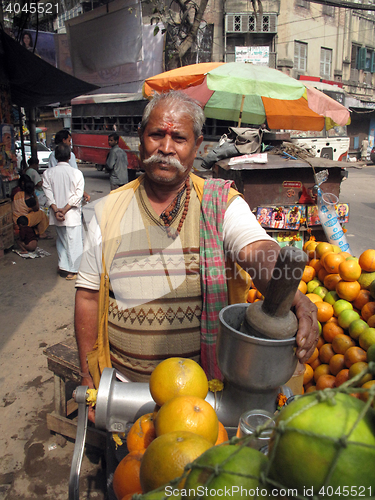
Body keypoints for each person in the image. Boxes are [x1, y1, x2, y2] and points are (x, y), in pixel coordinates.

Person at [75, 90, 318, 391]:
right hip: (124, 388)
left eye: (179, 138)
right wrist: (88, 376)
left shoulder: (220, 203)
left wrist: (286, 292)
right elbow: (87, 297)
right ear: (140, 137)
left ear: (197, 145)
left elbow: (258, 249)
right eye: (156, 135)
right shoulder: (108, 210)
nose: (165, 148)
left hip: (204, 394)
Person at [43, 143, 85, 280]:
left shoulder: (48, 173)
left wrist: (56, 210)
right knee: (74, 242)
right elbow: (78, 196)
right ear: (69, 157)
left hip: (57, 215)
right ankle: (73, 270)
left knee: (61, 240)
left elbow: (48, 195)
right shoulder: (76, 173)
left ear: (55, 156)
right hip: (71, 215)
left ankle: (63, 266)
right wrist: (65, 209)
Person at [48, 129, 90, 202]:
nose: (70, 143)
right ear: (64, 140)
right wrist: (83, 192)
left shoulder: (51, 159)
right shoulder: (71, 156)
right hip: (70, 194)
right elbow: (75, 178)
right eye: (69, 140)